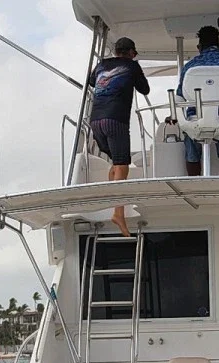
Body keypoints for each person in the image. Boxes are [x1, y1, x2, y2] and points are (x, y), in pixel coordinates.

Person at [88, 37, 150, 236]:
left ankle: (113, 203)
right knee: (122, 165)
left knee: (116, 164)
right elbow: (145, 89)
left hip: (95, 121)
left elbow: (91, 82)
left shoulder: (101, 65)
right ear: (131, 52)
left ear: (115, 51)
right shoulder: (131, 66)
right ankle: (118, 213)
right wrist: (134, 70)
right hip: (115, 120)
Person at [176, 26, 219, 177]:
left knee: (191, 146)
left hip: (195, 120)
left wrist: (174, 115)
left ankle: (194, 184)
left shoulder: (190, 66)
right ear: (218, 44)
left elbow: (180, 95)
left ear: (199, 46)